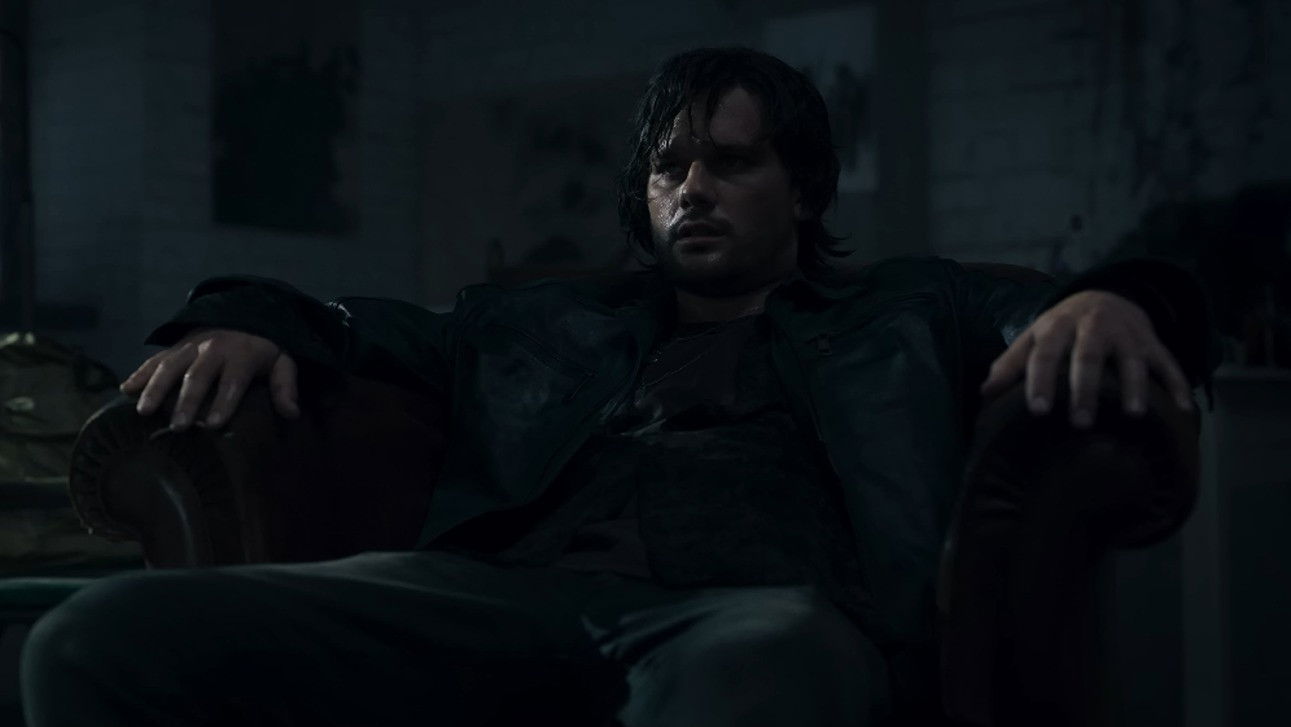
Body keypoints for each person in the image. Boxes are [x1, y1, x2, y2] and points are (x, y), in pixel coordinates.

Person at [21, 47, 1214, 726]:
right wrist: (243, 316)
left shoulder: (908, 307)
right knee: (100, 636)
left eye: (730, 163)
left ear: (801, 189)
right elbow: (357, 326)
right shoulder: (539, 319)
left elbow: (1063, 306)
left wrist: (1119, 297)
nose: (693, 188)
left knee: (755, 668)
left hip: (762, 603)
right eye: (669, 168)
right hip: (497, 592)